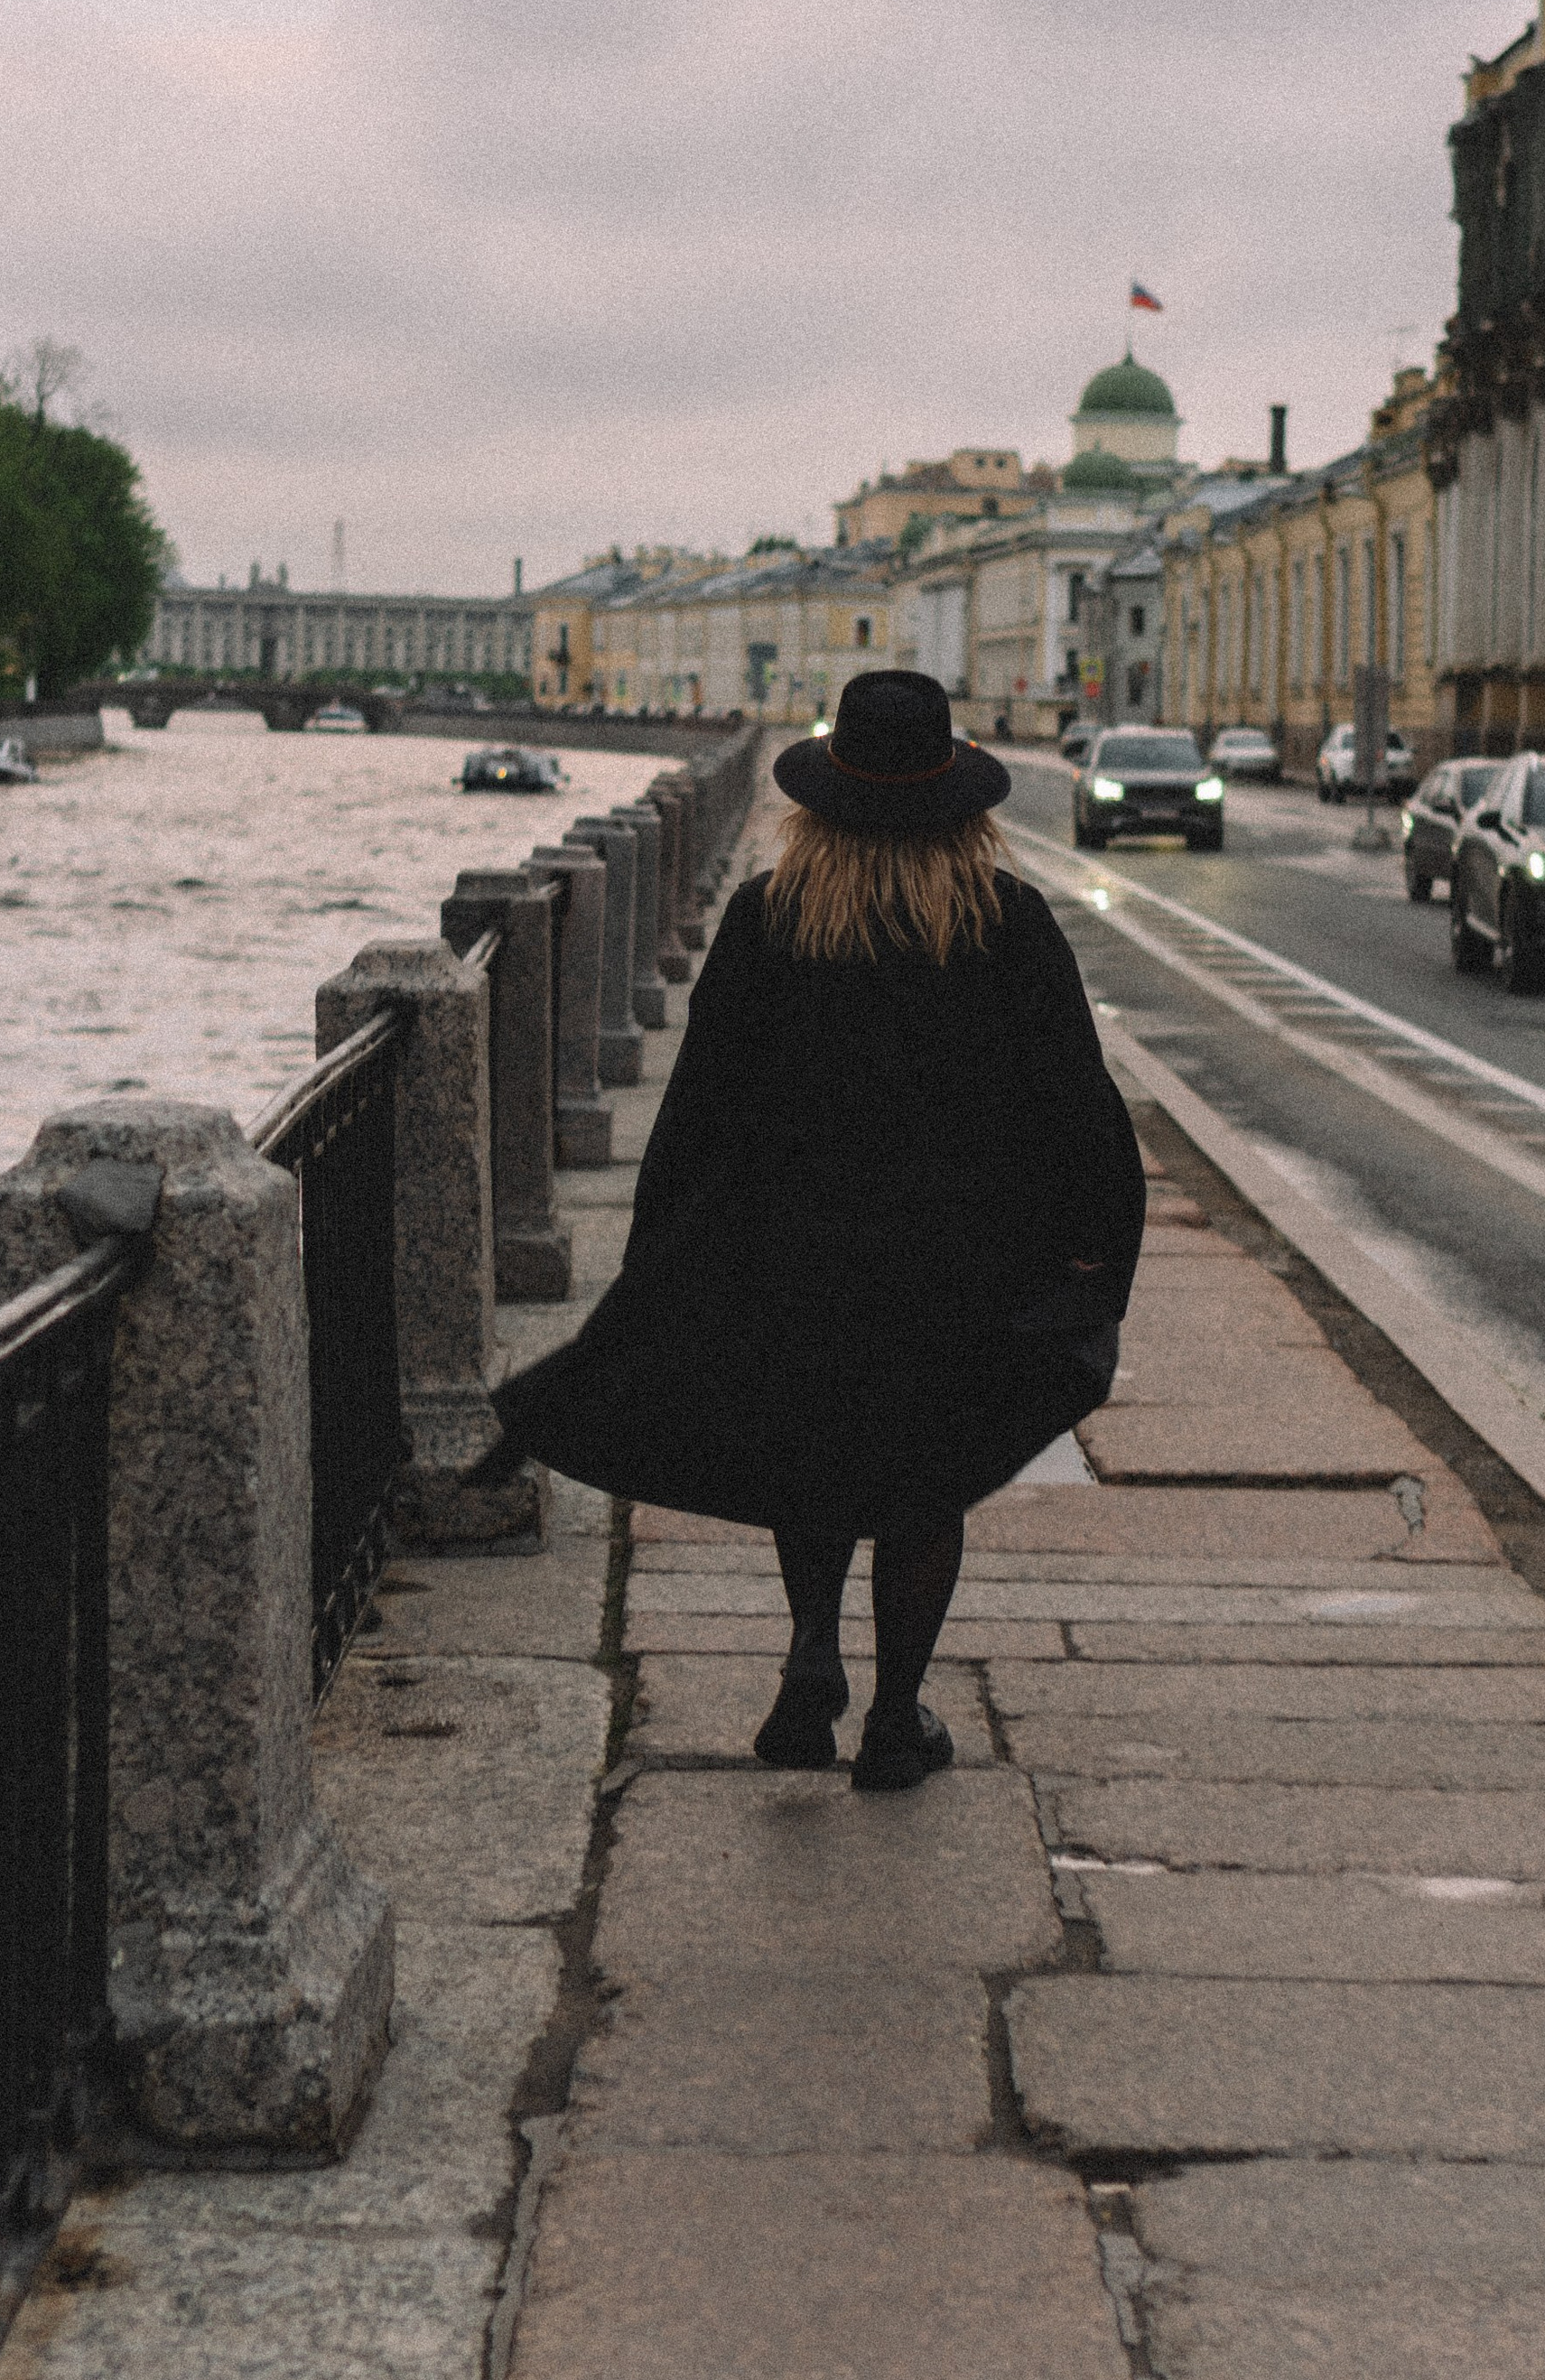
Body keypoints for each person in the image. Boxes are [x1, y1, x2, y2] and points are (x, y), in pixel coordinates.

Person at [479, 669, 1147, 1790]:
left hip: (793, 1254)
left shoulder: (769, 918)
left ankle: (809, 1655)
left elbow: (699, 1109)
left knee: (817, 1452)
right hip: (957, 1268)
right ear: (964, 805)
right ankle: (895, 1720)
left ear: (822, 798)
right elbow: (1077, 1106)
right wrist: (1093, 1254)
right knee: (924, 1484)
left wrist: (659, 1264)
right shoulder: (1007, 924)